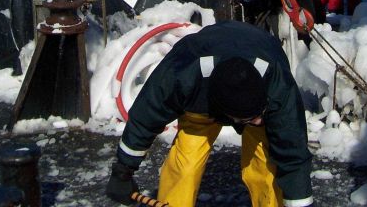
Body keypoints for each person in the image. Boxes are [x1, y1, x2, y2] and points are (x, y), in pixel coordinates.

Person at [106, 21, 313, 207]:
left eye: (260, 114)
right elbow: (145, 118)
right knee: (185, 166)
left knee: (265, 169)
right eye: (250, 119)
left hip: (260, 50)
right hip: (203, 91)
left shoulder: (277, 86)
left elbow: (292, 153)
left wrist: (301, 203)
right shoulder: (182, 77)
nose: (258, 121)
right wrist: (123, 172)